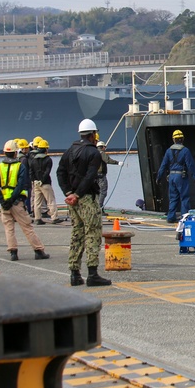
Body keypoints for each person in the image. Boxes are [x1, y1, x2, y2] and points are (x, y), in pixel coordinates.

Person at [57, 118, 111, 286]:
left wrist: (68, 192)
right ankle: (93, 274)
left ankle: (74, 273)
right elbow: (90, 176)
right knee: (93, 233)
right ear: (93, 134)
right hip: (86, 198)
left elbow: (60, 172)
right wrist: (78, 194)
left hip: (72, 200)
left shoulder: (69, 151)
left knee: (77, 234)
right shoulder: (93, 153)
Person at [0, 140, 50, 261]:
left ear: (4, 152)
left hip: (4, 204)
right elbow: (21, 185)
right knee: (27, 227)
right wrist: (11, 199)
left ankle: (13, 252)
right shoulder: (20, 166)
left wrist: (2, 201)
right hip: (16, 202)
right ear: (15, 153)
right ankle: (38, 250)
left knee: (9, 228)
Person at [156, 129, 195, 224]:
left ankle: (171, 217)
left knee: (173, 197)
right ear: (182, 139)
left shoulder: (168, 151)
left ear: (173, 139)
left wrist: (159, 177)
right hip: (181, 177)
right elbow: (190, 165)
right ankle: (184, 218)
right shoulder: (185, 151)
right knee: (184, 197)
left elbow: (163, 165)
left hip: (171, 176)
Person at [29, 138, 59, 225]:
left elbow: (31, 172)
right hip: (45, 183)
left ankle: (37, 218)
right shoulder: (48, 159)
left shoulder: (33, 159)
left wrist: (35, 180)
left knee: (37, 202)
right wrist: (42, 180)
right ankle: (54, 217)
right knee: (51, 200)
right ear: (46, 149)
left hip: (36, 183)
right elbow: (47, 172)